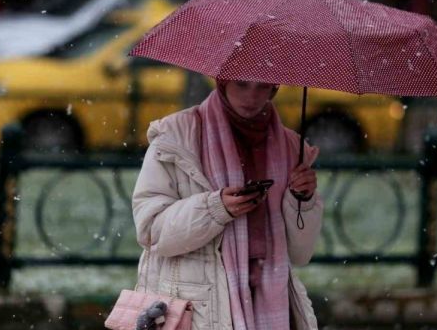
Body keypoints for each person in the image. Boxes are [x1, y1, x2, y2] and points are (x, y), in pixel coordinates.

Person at [131, 80, 323, 329]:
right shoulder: (176, 136)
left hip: (270, 304)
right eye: (242, 84)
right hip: (200, 308)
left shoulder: (291, 148)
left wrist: (302, 200)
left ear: (274, 89)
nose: (251, 96)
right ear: (222, 81)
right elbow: (151, 230)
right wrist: (215, 208)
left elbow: (301, 253)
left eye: (262, 86)